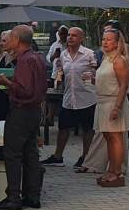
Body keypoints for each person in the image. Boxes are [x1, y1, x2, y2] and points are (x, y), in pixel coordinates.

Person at [0, 25, 48, 210]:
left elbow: (24, 90)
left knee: (13, 154)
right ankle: (32, 195)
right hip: (34, 111)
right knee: (31, 153)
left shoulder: (24, 60)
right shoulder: (37, 58)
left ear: (17, 40)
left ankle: (13, 197)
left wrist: (6, 82)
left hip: (21, 110)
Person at [41, 26, 97, 168]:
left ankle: (86, 157)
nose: (70, 38)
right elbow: (60, 72)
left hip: (87, 97)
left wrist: (92, 78)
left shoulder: (89, 54)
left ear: (81, 38)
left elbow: (96, 74)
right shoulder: (63, 55)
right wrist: (58, 81)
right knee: (63, 127)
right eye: (69, 35)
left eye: (74, 35)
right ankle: (58, 156)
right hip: (68, 98)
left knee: (87, 129)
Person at [94, 30, 129, 187]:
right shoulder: (105, 59)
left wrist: (117, 107)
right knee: (107, 137)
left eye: (109, 40)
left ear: (117, 43)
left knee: (116, 138)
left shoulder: (119, 60)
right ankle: (111, 169)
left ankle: (117, 172)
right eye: (103, 39)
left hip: (113, 101)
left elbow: (124, 85)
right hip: (102, 102)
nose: (105, 42)